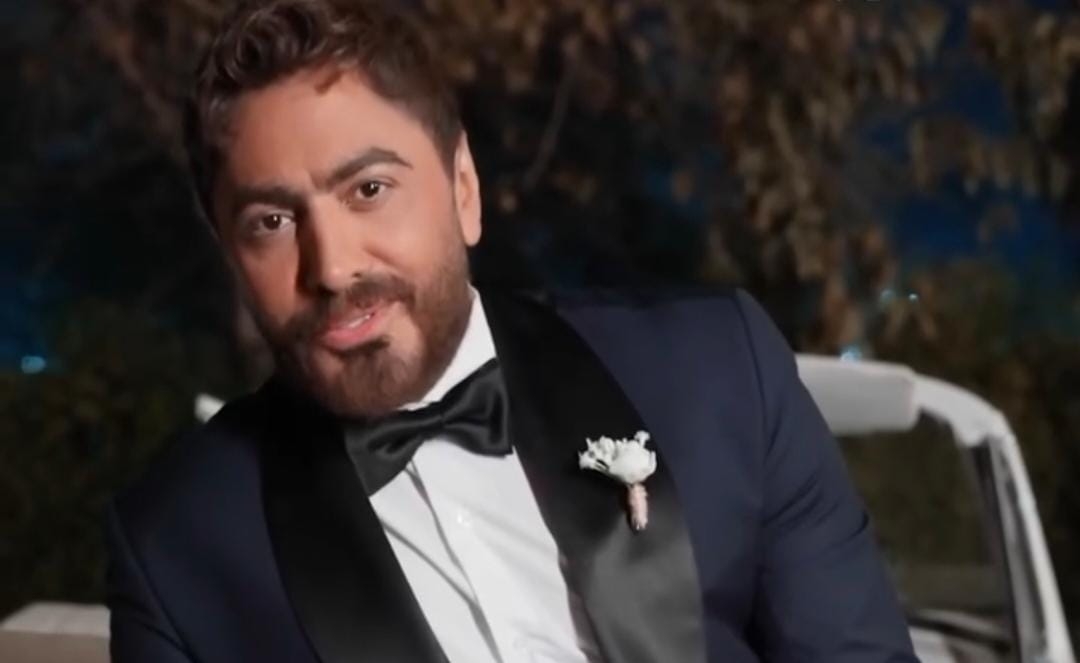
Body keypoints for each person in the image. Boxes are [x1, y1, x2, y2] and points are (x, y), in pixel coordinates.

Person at [105, 1, 918, 661]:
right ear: (231, 254)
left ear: (464, 188)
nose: (333, 266)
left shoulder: (717, 373)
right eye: (272, 222)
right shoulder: (179, 543)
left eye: (369, 189)